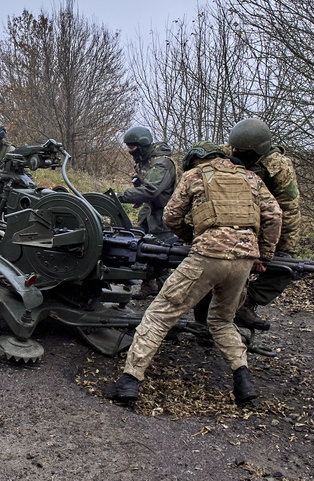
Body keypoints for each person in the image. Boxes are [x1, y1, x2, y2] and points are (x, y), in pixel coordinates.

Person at [104, 141, 281, 406]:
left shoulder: (194, 175)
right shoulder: (250, 177)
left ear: (195, 160)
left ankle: (129, 382)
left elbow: (171, 216)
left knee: (159, 315)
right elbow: (275, 215)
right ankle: (243, 382)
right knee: (222, 321)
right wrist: (263, 254)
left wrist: (191, 237)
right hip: (243, 259)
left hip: (208, 256)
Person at [196, 118, 301, 331]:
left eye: (241, 150)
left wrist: (278, 249)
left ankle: (246, 303)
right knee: (214, 263)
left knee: (286, 267)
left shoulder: (279, 166)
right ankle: (204, 322)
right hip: (226, 219)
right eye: (234, 147)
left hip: (265, 222)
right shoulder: (225, 152)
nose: (235, 151)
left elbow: (288, 208)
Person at [116, 126, 177, 299]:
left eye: (132, 147)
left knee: (163, 254)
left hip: (164, 213)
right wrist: (138, 197)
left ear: (142, 145)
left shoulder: (161, 163)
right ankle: (149, 285)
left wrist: (120, 196)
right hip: (149, 210)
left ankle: (169, 298)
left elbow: (151, 190)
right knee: (142, 246)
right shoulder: (144, 159)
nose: (130, 151)